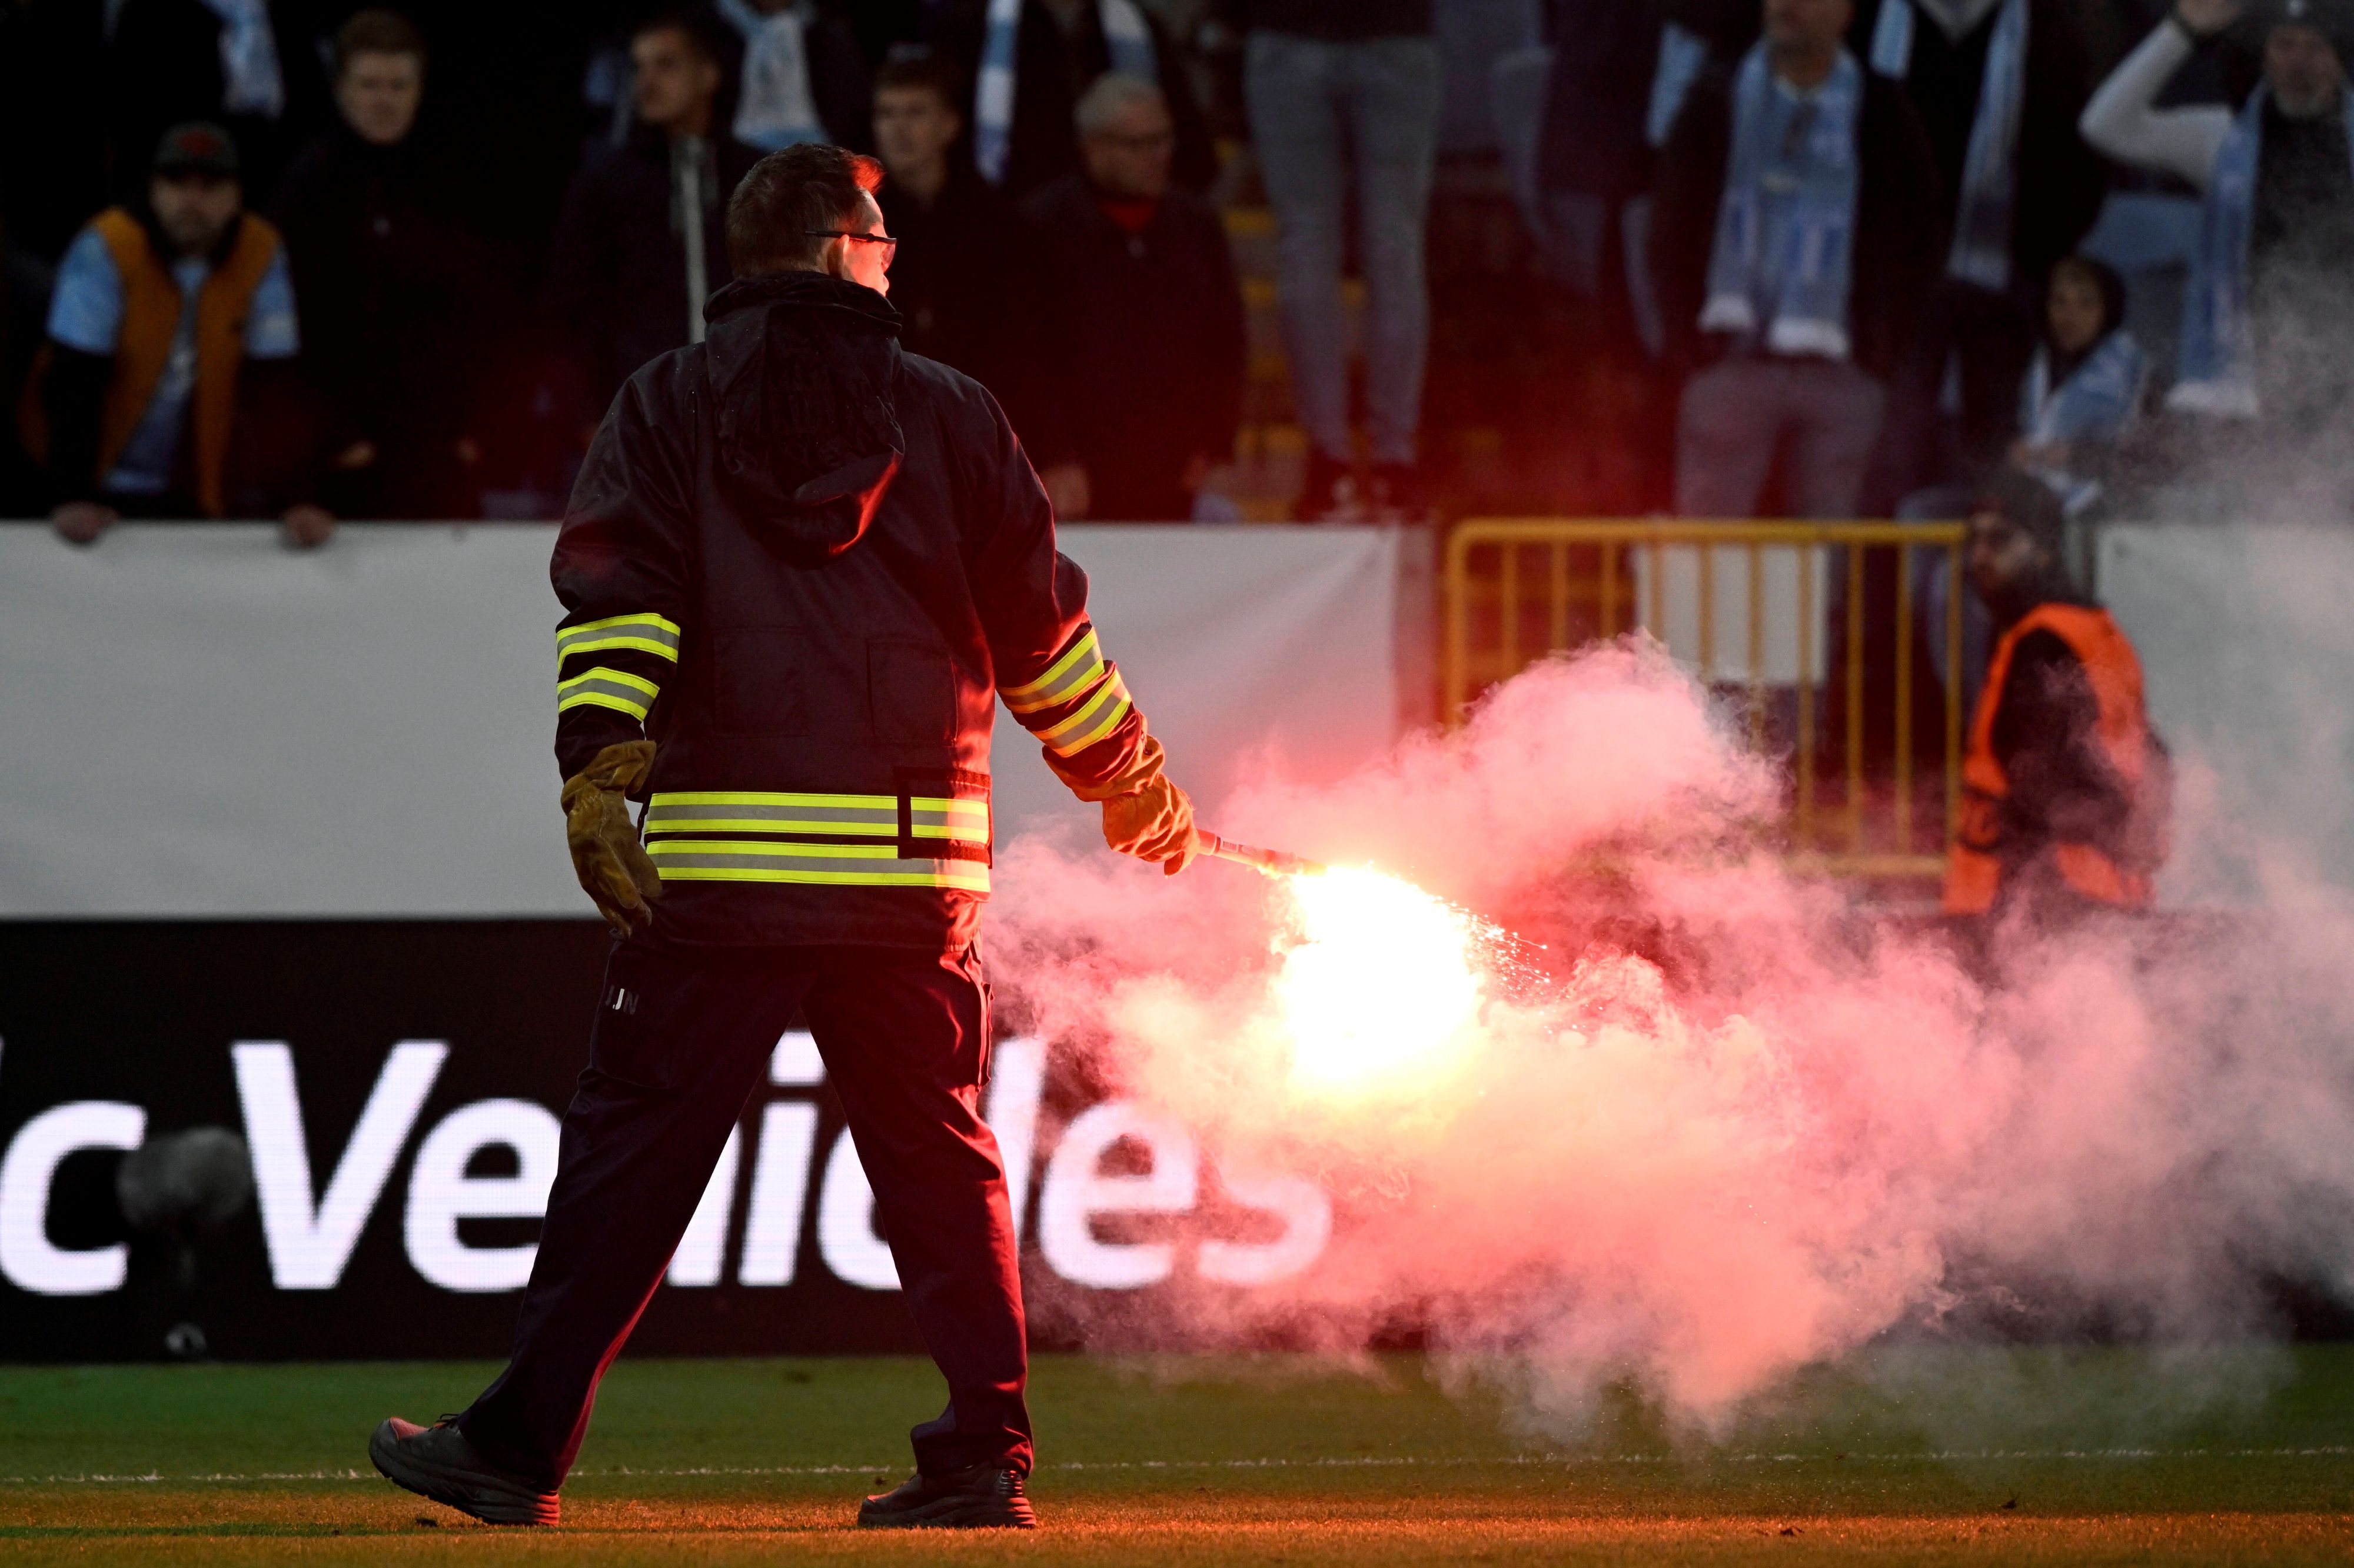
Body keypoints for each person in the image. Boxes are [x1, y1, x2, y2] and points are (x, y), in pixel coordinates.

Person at [367, 142, 1199, 1530]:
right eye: (878, 238)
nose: (892, 259)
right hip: (909, 870)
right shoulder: (950, 414)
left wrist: (597, 774)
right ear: (834, 251)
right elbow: (1043, 636)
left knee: (633, 1162)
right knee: (939, 1167)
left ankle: (513, 1447)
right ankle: (985, 1455)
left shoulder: (670, 404)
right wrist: (1128, 774)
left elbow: (618, 601)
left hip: (724, 871)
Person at [1651, 0, 1945, 518]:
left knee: (1825, 555)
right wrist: (1686, 344)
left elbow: (1918, 237)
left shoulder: (1882, 110)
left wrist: (1880, 351)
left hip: (1842, 369)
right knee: (1707, 550)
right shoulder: (1714, 99)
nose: (1787, 5)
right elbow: (1669, 228)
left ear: (1846, 13)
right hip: (1730, 356)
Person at [25, 122, 331, 547]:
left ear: (236, 197)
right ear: (153, 190)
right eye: (177, 183)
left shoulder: (261, 252)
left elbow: (275, 384)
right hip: (92, 480)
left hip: (193, 484)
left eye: (210, 186)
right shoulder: (107, 246)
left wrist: (298, 497)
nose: (192, 200)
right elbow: (73, 380)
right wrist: (72, 494)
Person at [1856, 0, 2107, 486]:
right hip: (1896, 283)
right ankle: (1885, 560)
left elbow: (2080, 150)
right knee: (1892, 447)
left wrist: (2044, 251)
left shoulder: (2048, 28)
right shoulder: (1870, 20)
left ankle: (1986, 556)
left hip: (2006, 275)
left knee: (1994, 454)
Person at [2079, 0, 2354, 431]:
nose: (2299, 64)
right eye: (2284, 45)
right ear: (2264, 54)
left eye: (2316, 48)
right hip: (2243, 394)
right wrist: (2182, 29)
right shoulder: (2221, 139)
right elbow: (2103, 125)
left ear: (2341, 59)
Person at [1899, 254, 2147, 722]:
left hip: (2075, 518)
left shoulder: (2133, 371)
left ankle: (1986, 719)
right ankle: (1935, 667)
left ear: (2107, 311)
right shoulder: (2028, 359)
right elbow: (1981, 442)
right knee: (1919, 515)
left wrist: (2076, 456)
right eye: (2060, 301)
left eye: (2085, 304)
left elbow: (2154, 460)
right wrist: (2006, 449)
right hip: (2016, 500)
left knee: (1962, 596)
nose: (2068, 315)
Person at [271, 9, 493, 520]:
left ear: (420, 89)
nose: (384, 100)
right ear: (340, 88)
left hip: (437, 444)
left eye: (399, 85)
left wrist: (469, 424)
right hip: (337, 451)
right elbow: (289, 330)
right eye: (370, 84)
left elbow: (479, 313)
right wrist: (326, 437)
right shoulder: (304, 188)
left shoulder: (453, 184)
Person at [1239, 0, 1441, 520]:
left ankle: (1330, 463)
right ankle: (1394, 461)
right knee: (1395, 248)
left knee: (1307, 246)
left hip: (1292, 31)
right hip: (1395, 33)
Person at [1944, 468, 2165, 924]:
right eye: (1975, 540)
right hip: (2110, 894)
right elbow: (2152, 755)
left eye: (2000, 541)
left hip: (2041, 903)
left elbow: (2037, 777)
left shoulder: (2041, 642)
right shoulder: (2100, 632)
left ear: (2044, 550)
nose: (1979, 557)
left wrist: (2021, 903)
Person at [1022, 75, 1245, 521]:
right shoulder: (1039, 227)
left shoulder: (1197, 226)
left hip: (1177, 469)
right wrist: (1053, 454)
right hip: (1074, 476)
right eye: (1138, 145)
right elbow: (1026, 353)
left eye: (1163, 140)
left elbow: (1226, 344)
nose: (1157, 157)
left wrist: (1215, 443)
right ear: (1094, 146)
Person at [872, 52, 1085, 517]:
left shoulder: (999, 227)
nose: (898, 128)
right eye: (887, 113)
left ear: (950, 125)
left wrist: (1053, 450)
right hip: (879, 442)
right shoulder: (853, 227)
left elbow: (1028, 345)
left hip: (975, 441)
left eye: (915, 113)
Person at [545, 11, 762, 434]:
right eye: (639, 67)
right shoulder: (606, 181)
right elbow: (570, 305)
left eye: (666, 64)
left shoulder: (754, 176)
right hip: (644, 416)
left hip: (746, 414)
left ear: (708, 75)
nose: (647, 81)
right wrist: (588, 414)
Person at [933, 0, 1218, 201]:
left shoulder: (1140, 27)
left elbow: (1189, 141)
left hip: (1120, 216)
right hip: (1015, 214)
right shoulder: (974, 27)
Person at [713, 0, 873, 152]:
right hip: (736, 159)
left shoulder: (829, 36)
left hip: (822, 158)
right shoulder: (713, 34)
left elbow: (852, 108)